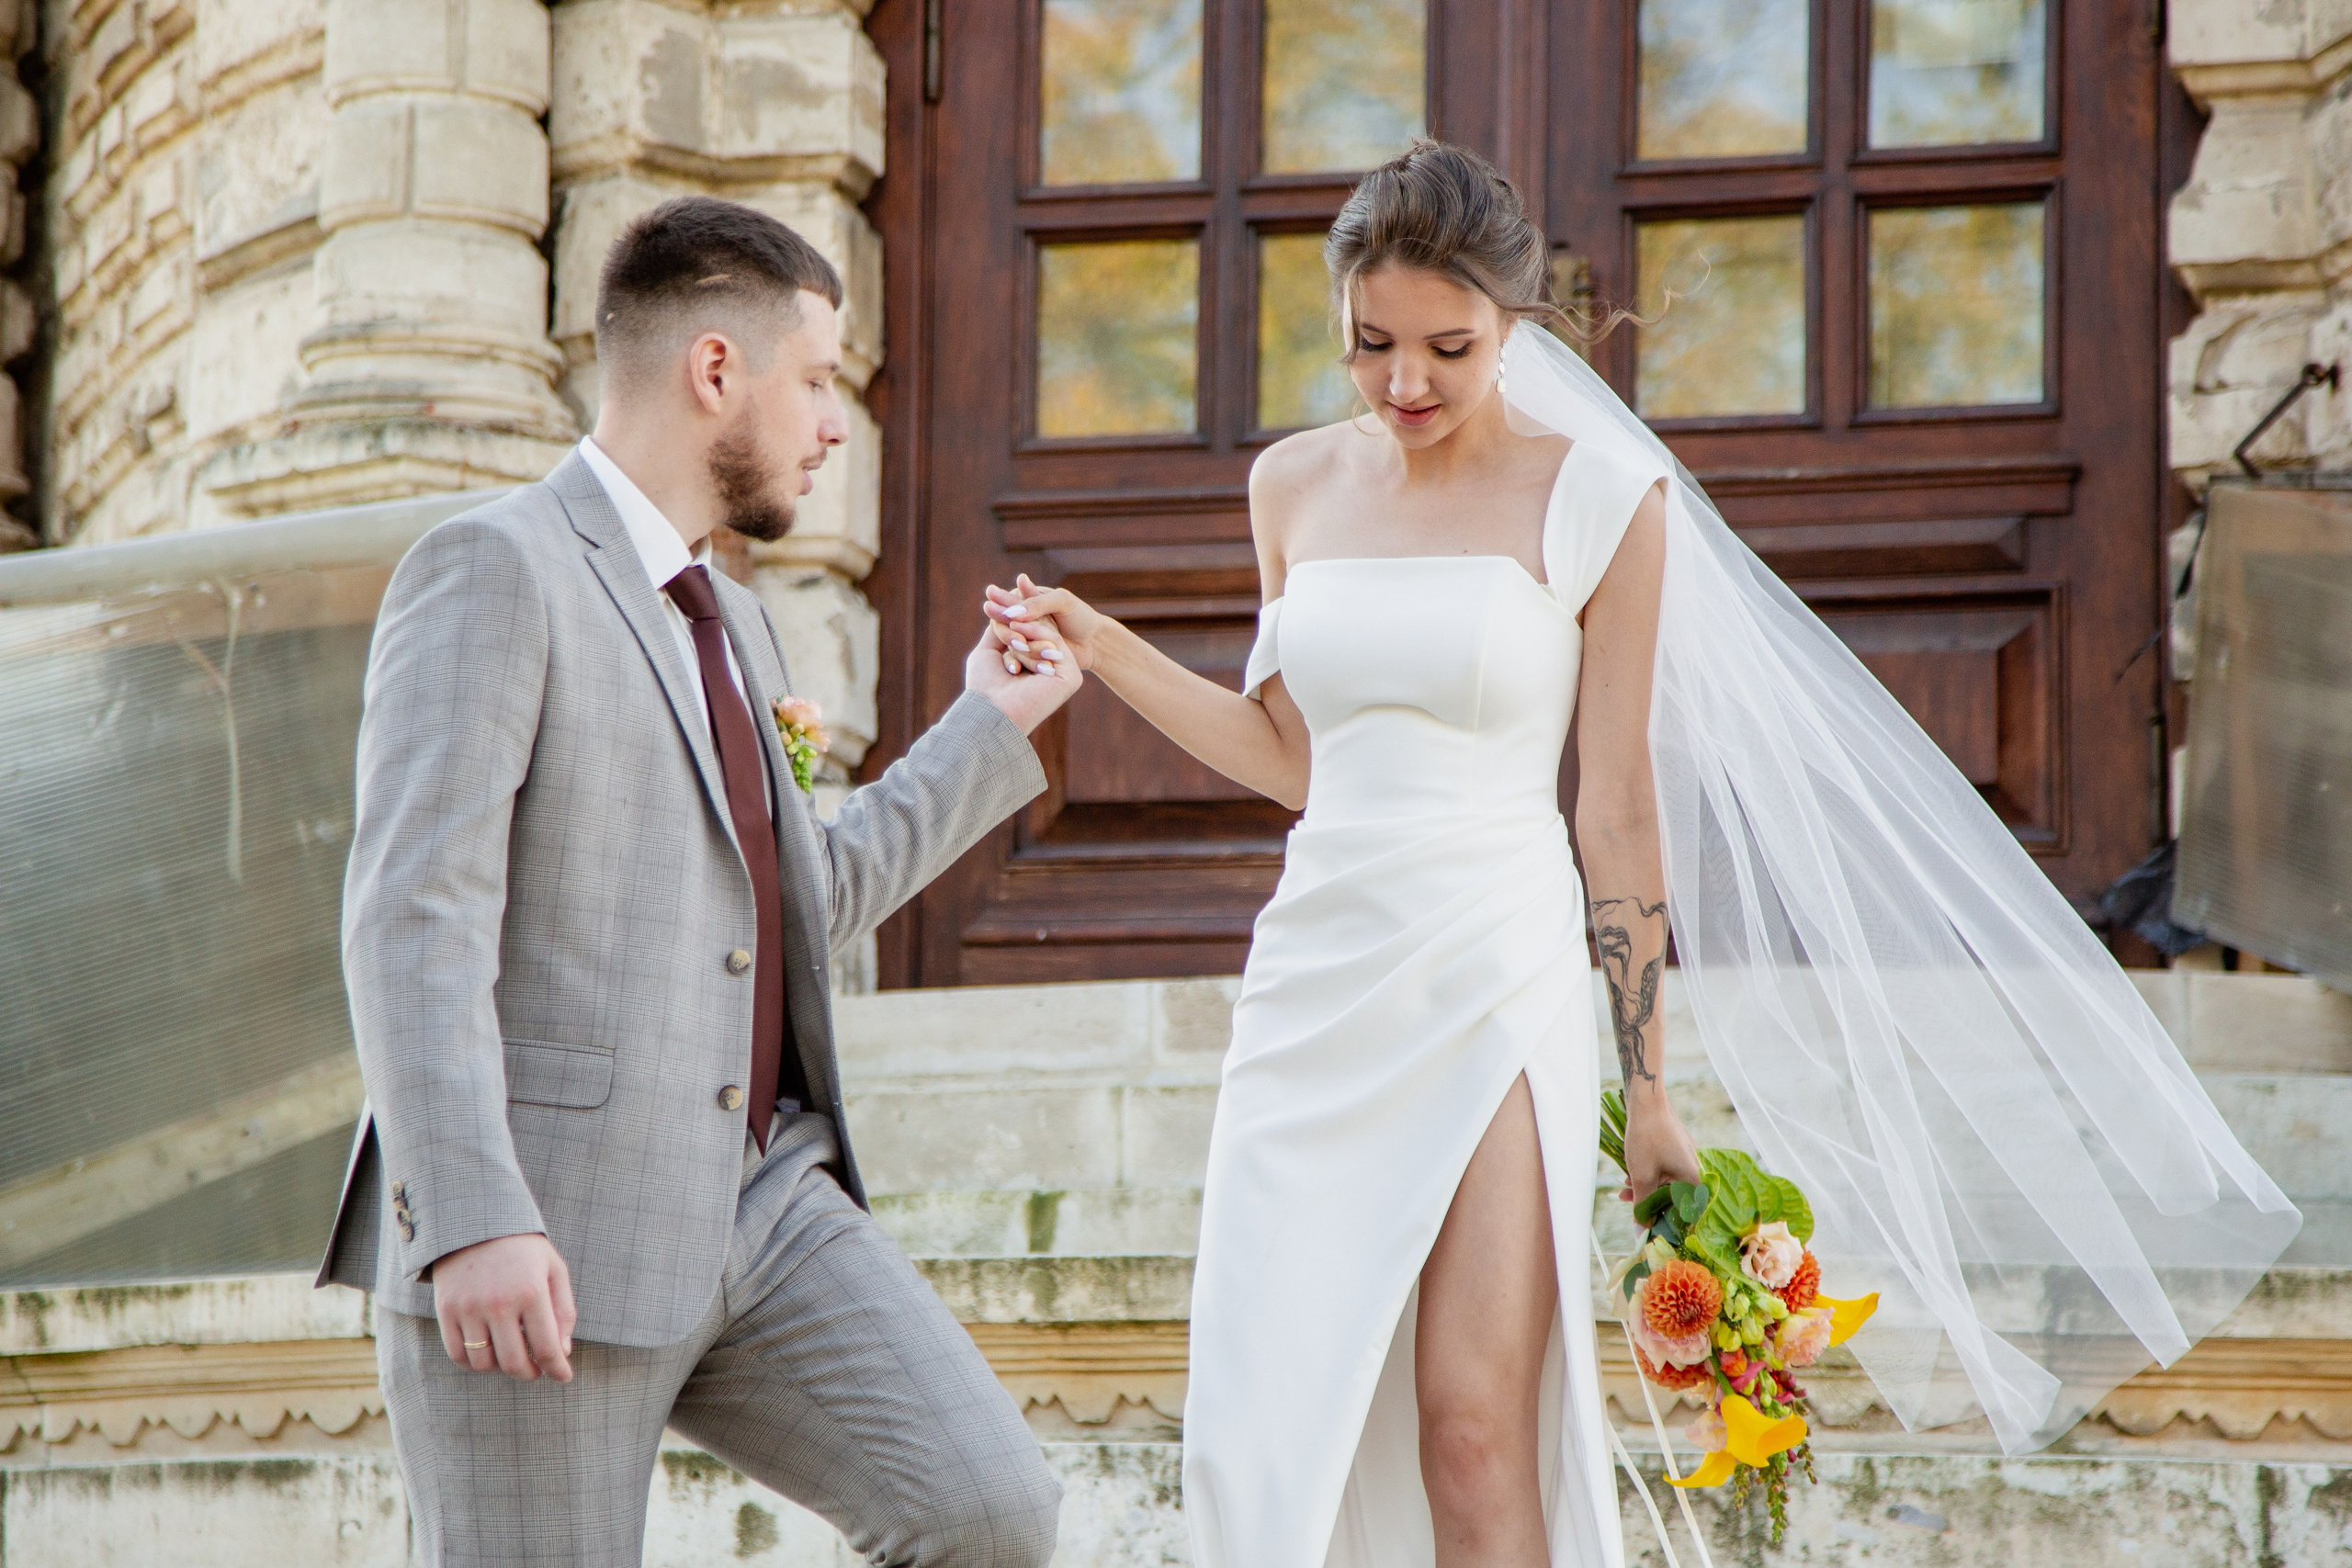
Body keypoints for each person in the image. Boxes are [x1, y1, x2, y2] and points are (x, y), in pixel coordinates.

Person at [983, 142, 2301, 1568]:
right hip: (1317, 979)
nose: (1406, 383)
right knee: (1268, 1420)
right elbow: (1298, 762)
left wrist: (1649, 1085)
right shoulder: (1291, 486)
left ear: (1518, 326)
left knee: (1473, 1425)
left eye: (1449, 347)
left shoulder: (1603, 496)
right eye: (1372, 347)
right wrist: (1103, 647)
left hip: (1496, 973)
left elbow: (1612, 805)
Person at [318, 196, 1077, 1567]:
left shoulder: (737, 621)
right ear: (715, 369)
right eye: (822, 380)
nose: (836, 425)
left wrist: (989, 728)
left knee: (987, 1511)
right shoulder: (498, 568)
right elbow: (411, 911)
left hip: (770, 1198)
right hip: (541, 1218)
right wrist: (473, 1213)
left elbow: (801, 899)